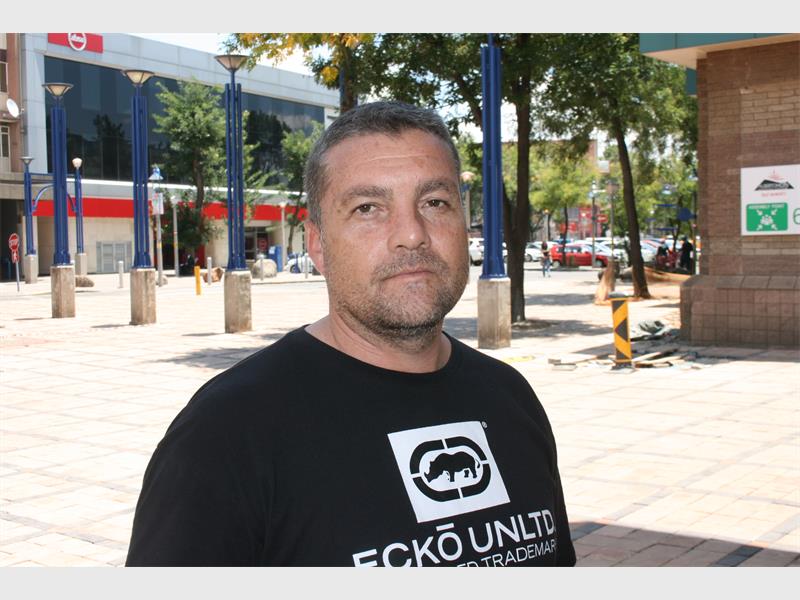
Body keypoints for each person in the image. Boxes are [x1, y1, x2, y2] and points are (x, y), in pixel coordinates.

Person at [125, 101, 575, 567]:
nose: (412, 234)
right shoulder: (225, 435)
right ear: (317, 244)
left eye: (435, 202)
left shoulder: (511, 398)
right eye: (368, 208)